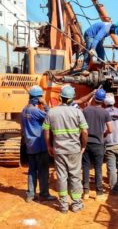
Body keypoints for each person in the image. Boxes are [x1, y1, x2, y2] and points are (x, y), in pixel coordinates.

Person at [42, 86, 89, 214]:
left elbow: (46, 131)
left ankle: (63, 205)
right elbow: (84, 131)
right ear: (72, 99)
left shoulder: (52, 112)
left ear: (60, 97)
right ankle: (76, 204)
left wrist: (49, 146)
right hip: (74, 149)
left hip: (59, 149)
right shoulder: (78, 112)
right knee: (75, 176)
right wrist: (83, 145)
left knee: (62, 176)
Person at [21, 85, 56, 203]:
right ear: (38, 98)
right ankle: (44, 194)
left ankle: (30, 194)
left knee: (32, 170)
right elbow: (51, 116)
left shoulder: (24, 110)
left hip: (30, 145)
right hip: (40, 145)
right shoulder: (35, 111)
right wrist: (45, 104)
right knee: (43, 171)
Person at [82, 89, 112, 201]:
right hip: (98, 143)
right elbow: (110, 129)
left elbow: (82, 128)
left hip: (86, 143)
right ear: (103, 100)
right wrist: (103, 134)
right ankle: (99, 193)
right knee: (98, 168)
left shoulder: (85, 110)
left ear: (94, 98)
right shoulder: (105, 112)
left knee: (85, 167)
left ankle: (85, 192)